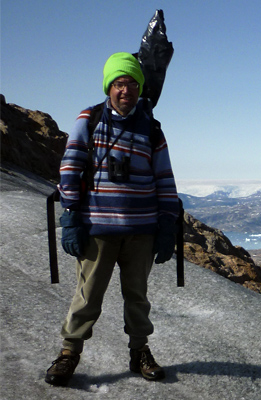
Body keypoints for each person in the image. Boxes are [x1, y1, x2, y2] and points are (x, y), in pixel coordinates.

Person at [45, 52, 180, 386]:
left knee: (137, 297)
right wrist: (71, 217)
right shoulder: (90, 120)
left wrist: (167, 225)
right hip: (98, 229)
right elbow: (70, 168)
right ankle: (68, 354)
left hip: (141, 231)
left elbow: (164, 178)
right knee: (88, 296)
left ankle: (140, 353)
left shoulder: (151, 129)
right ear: (109, 86)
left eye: (133, 83)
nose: (126, 90)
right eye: (119, 83)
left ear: (140, 88)